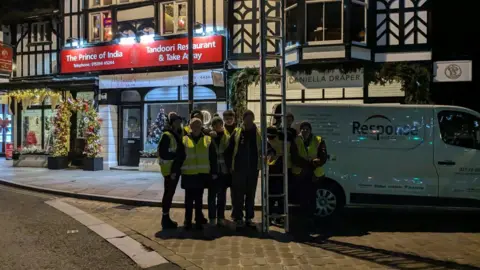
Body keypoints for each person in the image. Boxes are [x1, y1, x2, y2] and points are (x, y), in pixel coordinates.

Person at [173, 118, 218, 230]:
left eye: (198, 125)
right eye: (194, 125)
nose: (196, 128)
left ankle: (198, 220)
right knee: (188, 200)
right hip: (188, 174)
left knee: (199, 199)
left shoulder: (207, 139)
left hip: (201, 175)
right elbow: (179, 157)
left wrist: (214, 171)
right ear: (190, 127)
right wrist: (175, 171)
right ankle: (187, 221)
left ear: (201, 126)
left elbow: (213, 157)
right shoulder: (184, 140)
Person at [225, 110, 261, 229]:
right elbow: (229, 150)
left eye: (251, 118)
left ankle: (249, 218)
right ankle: (238, 217)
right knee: (238, 195)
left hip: (252, 169)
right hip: (238, 169)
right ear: (243, 119)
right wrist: (230, 166)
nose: (249, 120)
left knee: (250, 194)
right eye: (247, 118)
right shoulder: (237, 132)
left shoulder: (258, 133)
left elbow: (264, 149)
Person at [292, 121, 328, 219]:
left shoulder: (318, 140)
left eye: (307, 129)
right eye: (303, 129)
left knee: (312, 197)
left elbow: (323, 157)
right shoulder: (296, 141)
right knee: (302, 198)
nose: (305, 131)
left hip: (314, 174)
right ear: (300, 131)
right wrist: (310, 163)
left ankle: (311, 219)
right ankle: (303, 219)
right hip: (301, 174)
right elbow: (294, 158)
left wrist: (313, 164)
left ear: (310, 130)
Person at [158, 112, 183, 229]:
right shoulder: (167, 135)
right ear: (172, 123)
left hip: (174, 169)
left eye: (179, 122)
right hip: (169, 171)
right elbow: (163, 153)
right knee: (168, 194)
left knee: (169, 193)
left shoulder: (176, 134)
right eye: (176, 122)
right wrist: (176, 155)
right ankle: (165, 218)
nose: (178, 124)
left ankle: (166, 218)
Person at [208, 116, 231, 226]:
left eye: (219, 124)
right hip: (213, 170)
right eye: (215, 125)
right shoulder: (209, 137)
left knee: (222, 196)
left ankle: (221, 217)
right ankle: (212, 217)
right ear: (212, 126)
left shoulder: (226, 136)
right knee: (212, 196)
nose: (218, 127)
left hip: (224, 171)